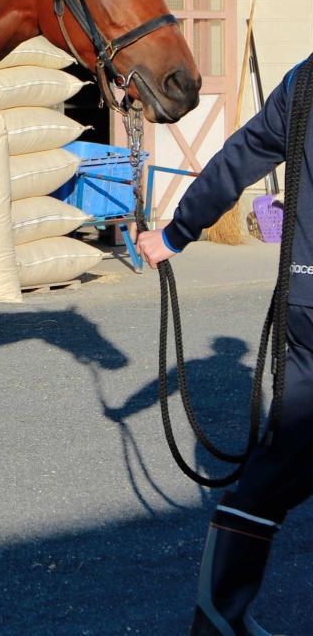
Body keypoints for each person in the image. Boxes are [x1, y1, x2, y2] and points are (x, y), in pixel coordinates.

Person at [137, 58, 313, 636]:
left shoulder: (304, 81)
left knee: (280, 462)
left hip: (308, 303)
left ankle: (219, 615)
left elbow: (239, 158)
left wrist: (175, 232)